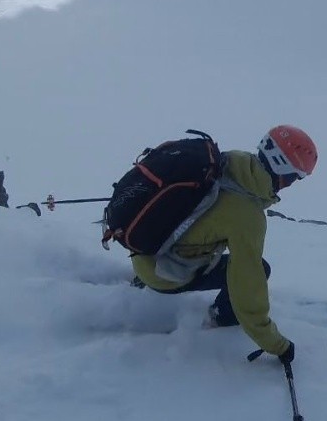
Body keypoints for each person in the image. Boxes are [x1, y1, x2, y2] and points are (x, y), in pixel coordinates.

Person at [128, 125, 317, 365]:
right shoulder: (248, 217)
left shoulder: (228, 162)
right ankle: (218, 320)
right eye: (296, 177)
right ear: (284, 170)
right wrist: (276, 345)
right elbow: (247, 286)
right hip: (163, 275)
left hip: (142, 249)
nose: (292, 184)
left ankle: (140, 278)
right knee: (260, 269)